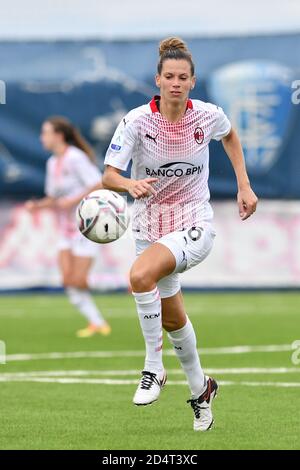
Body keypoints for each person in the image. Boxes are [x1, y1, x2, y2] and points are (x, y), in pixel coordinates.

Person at [102, 37, 258, 431]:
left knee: (139, 276)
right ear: (157, 80)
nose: (175, 82)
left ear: (192, 81)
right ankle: (201, 390)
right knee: (173, 321)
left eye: (182, 77)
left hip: (194, 224)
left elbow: (230, 136)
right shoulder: (136, 121)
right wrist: (128, 185)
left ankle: (154, 369)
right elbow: (109, 174)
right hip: (148, 227)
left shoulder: (207, 116)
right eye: (168, 76)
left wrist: (243, 185)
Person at [25, 116, 111, 338]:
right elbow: (55, 197)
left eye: (45, 132)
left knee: (78, 280)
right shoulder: (52, 163)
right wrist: (38, 205)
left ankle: (120, 282)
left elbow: (98, 183)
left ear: (59, 135)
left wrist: (73, 201)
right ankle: (98, 323)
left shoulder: (75, 158)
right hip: (66, 229)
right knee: (67, 281)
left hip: (85, 225)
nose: (41, 137)